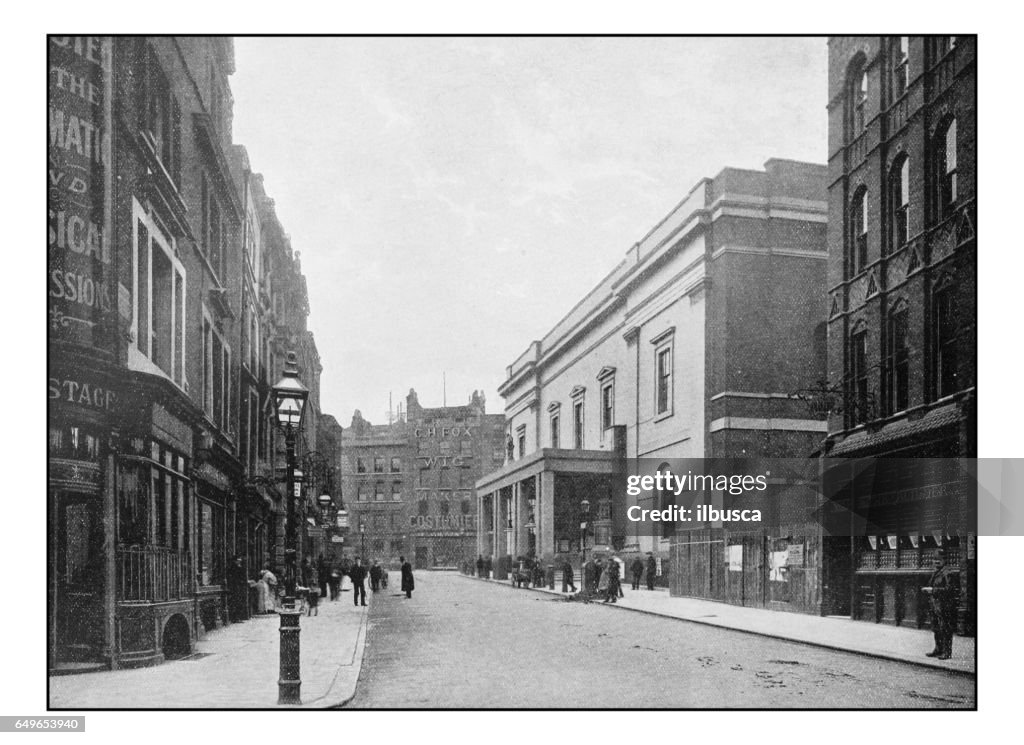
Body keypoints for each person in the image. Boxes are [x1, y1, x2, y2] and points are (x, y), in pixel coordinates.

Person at [924, 550, 959, 659]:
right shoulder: (936, 572)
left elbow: (950, 590)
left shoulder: (948, 573)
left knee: (945, 629)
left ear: (945, 560)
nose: (936, 562)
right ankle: (938, 649)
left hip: (945, 606)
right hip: (936, 606)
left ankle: (947, 652)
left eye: (939, 559)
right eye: (935, 559)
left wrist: (933, 590)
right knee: (936, 628)